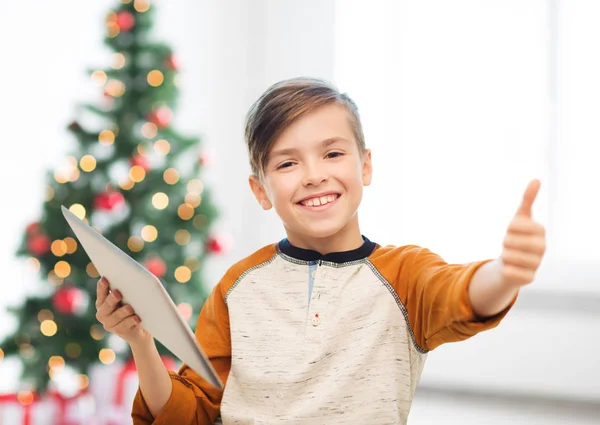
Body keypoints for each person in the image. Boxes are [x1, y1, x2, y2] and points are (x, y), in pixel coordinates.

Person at [95, 77, 547, 425]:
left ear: (364, 166)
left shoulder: (405, 274)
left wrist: (506, 272)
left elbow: (465, 294)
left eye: (332, 154)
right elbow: (189, 414)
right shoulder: (238, 287)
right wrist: (140, 340)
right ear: (261, 190)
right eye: (288, 163)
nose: (313, 175)